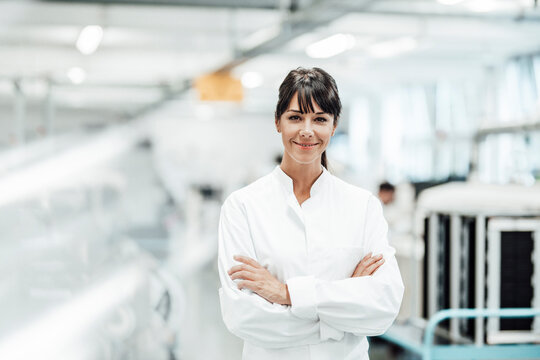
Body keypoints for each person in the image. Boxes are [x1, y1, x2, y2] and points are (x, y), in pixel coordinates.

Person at [217, 67, 404, 360]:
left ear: (334, 125)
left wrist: (285, 294)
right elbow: (245, 317)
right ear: (277, 121)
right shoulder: (243, 207)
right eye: (295, 117)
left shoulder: (362, 206)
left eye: (319, 119)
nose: (307, 130)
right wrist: (343, 308)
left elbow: (383, 309)